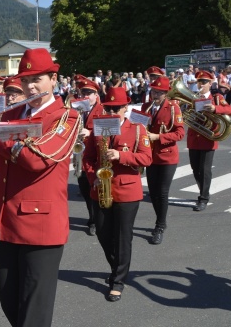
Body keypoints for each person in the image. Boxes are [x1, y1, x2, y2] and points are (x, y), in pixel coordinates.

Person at [0, 48, 80, 327]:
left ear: (53, 78)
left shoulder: (66, 117)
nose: (30, 86)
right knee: (9, 300)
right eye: (25, 80)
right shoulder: (14, 112)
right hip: (6, 221)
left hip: (40, 226)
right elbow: (2, 160)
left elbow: (37, 160)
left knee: (34, 312)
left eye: (37, 79)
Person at [82, 87, 152, 302]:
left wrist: (121, 155)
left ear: (125, 108)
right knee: (103, 233)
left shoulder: (138, 129)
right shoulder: (98, 127)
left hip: (127, 190)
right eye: (108, 108)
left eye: (116, 109)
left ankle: (118, 281)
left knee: (123, 237)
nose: (111, 113)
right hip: (102, 188)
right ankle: (117, 269)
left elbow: (146, 159)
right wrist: (93, 177)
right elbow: (88, 158)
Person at [141, 76, 185, 244]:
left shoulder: (173, 108)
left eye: (159, 93)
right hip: (150, 156)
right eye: (153, 91)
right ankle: (160, 219)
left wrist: (158, 136)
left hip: (167, 156)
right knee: (152, 192)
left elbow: (179, 133)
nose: (155, 95)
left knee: (162, 191)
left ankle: (160, 225)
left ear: (166, 93)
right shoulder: (146, 106)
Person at [187, 70, 231, 211]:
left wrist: (215, 108)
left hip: (208, 138)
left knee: (205, 169)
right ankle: (203, 190)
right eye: (199, 82)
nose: (201, 84)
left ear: (210, 83)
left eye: (204, 82)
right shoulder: (194, 98)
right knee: (195, 169)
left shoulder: (216, 97)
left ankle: (203, 198)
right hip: (193, 139)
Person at [73, 77, 104, 236]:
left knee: (94, 188)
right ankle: (92, 216)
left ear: (96, 94)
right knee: (84, 189)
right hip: (80, 155)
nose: (86, 95)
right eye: (83, 92)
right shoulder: (76, 109)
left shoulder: (103, 110)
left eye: (89, 93)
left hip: (95, 156)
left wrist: (90, 132)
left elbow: (109, 131)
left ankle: (95, 220)